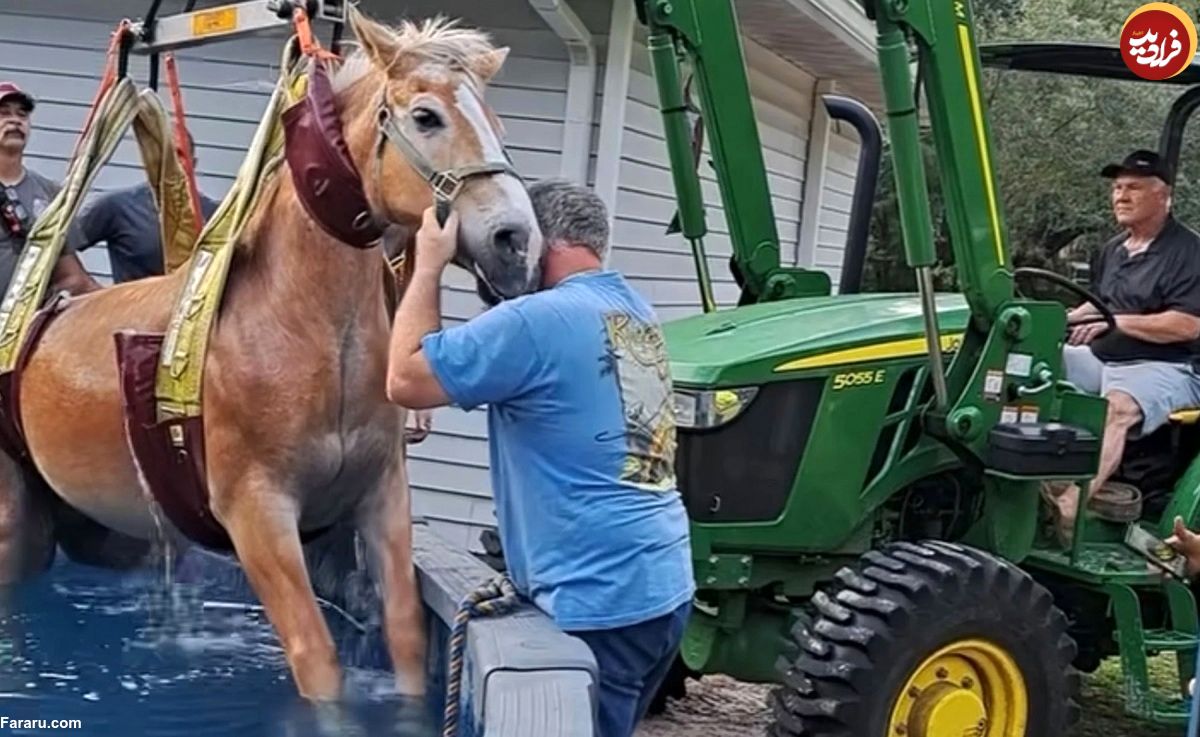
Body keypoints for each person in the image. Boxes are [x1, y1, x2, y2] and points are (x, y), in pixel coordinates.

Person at [384, 179, 694, 737]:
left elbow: (405, 378)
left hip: (598, 601)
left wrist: (427, 266)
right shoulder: (629, 307)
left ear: (539, 240)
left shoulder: (537, 322)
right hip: (661, 587)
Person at [1049, 149, 1200, 541]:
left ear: (1164, 196)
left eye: (1133, 187)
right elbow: (1099, 301)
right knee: (1033, 365)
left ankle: (1068, 509)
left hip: (1164, 367)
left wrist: (1111, 322)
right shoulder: (1114, 249)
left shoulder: (1189, 253)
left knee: (1118, 406)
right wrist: (1058, 321)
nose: (1120, 196)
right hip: (1103, 358)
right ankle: (1031, 475)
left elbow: (1187, 325)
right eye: (1117, 188)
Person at [68, 130, 219, 283]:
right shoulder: (117, 207)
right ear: (151, 160)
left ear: (193, 163)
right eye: (164, 153)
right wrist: (84, 285)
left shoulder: (215, 216)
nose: (171, 161)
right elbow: (58, 246)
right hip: (132, 305)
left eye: (179, 154)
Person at [0, 81, 99, 296]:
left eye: (22, 115)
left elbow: (71, 276)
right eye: (4, 114)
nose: (15, 121)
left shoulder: (51, 193)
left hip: (25, 323)